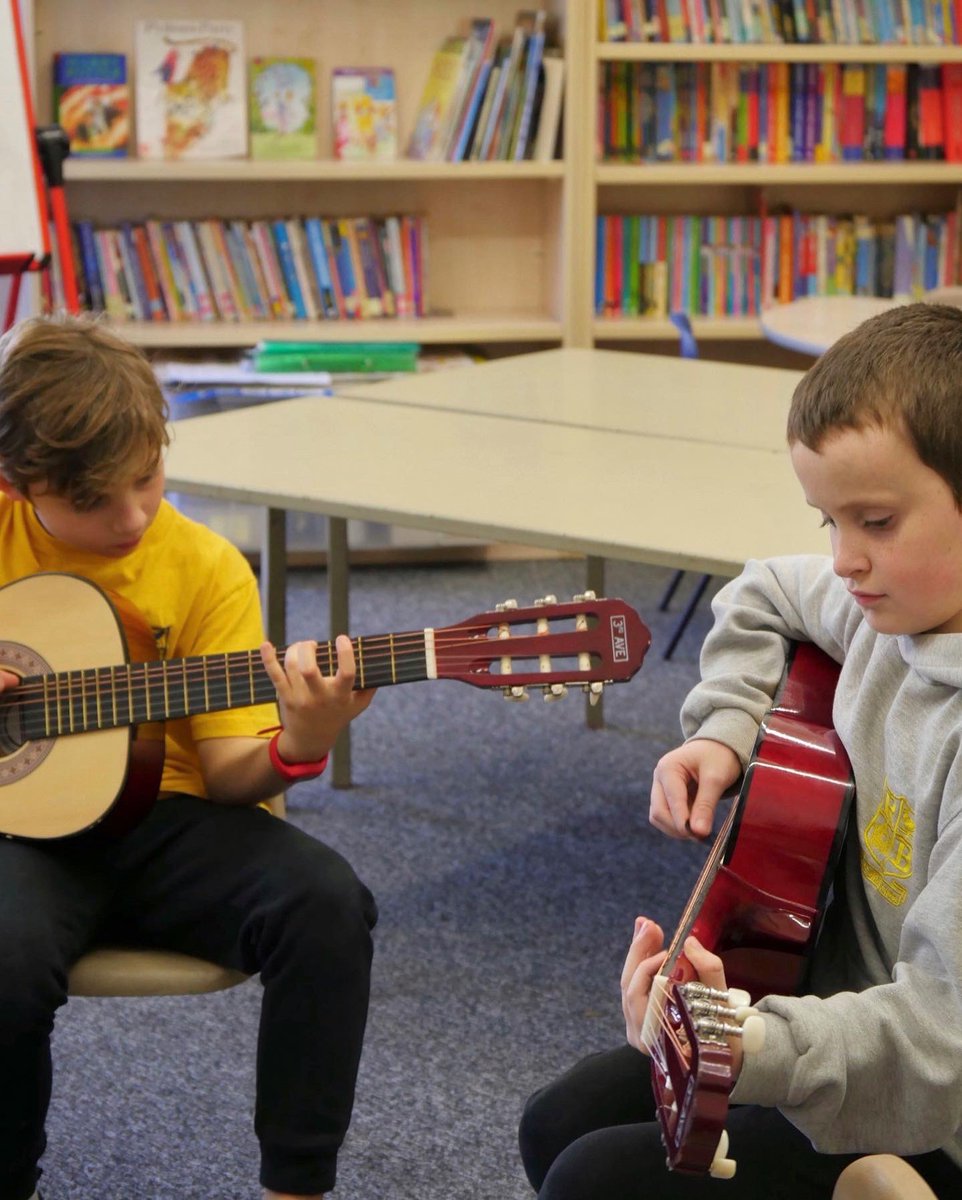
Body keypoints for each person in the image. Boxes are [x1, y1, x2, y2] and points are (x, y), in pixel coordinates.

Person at [518, 302, 962, 1199]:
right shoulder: (896, 608)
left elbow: (939, 1039)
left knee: (593, 1180)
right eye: (827, 521)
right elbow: (763, 589)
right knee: (558, 1119)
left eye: (874, 521)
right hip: (834, 1034)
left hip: (930, 1112)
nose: (842, 560)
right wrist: (726, 730)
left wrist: (745, 1043)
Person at [0, 313, 377, 1200]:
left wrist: (301, 742)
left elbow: (227, 773)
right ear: (20, 484)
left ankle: (297, 1185)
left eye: (147, 478)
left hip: (168, 816)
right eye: (94, 502)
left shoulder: (205, 568)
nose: (134, 516)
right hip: (18, 834)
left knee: (327, 904)